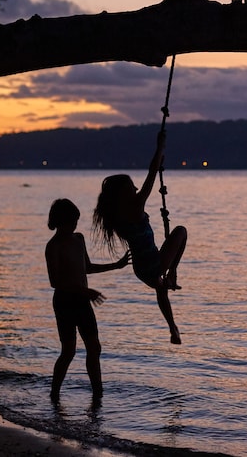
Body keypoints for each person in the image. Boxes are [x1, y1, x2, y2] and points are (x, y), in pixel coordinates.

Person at [93, 131, 188, 345]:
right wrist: (160, 147)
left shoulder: (116, 215)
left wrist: (160, 154)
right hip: (153, 263)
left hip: (140, 268)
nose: (136, 188)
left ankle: (173, 329)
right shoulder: (135, 207)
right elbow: (151, 175)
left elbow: (150, 175)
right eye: (131, 186)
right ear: (125, 193)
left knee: (161, 289)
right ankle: (173, 272)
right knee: (181, 231)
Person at [45, 198, 129, 400]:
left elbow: (87, 268)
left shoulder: (79, 239)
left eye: (76, 221)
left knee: (94, 347)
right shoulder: (53, 246)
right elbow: (55, 282)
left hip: (82, 301)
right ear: (61, 221)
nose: (75, 225)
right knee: (69, 351)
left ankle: (97, 393)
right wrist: (86, 292)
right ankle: (54, 393)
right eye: (72, 221)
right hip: (65, 302)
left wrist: (115, 266)